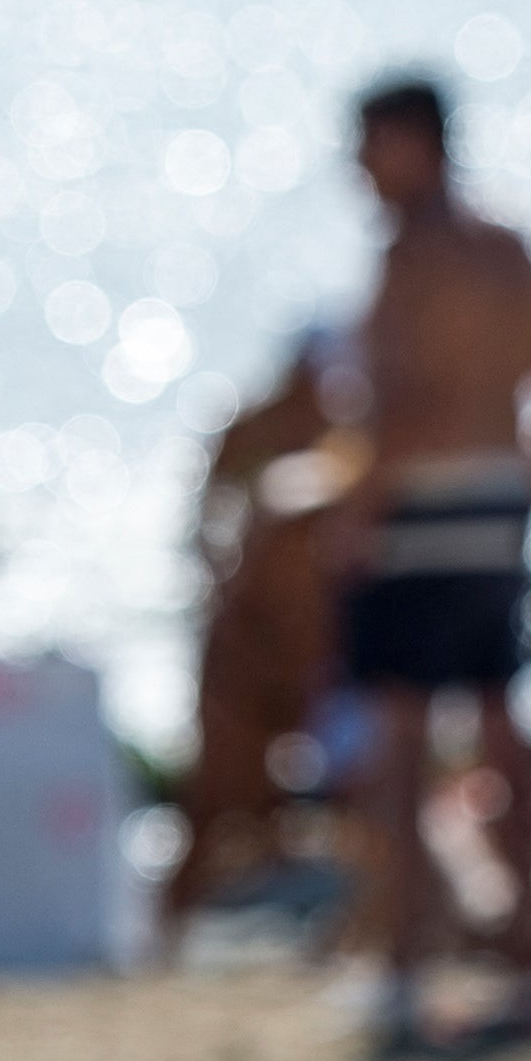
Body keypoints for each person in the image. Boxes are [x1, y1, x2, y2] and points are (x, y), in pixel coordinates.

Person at [336, 77, 531, 1055]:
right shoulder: (509, 249)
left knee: (400, 751)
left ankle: (404, 970)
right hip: (493, 506)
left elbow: (400, 408)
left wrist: (353, 517)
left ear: (416, 143)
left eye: (369, 145)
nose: (357, 166)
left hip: (415, 508)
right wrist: (527, 491)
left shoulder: (414, 254)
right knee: (501, 742)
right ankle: (529, 963)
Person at [161, 332, 360, 952]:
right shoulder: (265, 433)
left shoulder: (344, 441)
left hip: (315, 657)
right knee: (217, 804)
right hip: (254, 649)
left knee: (348, 804)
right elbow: (205, 525)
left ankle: (348, 939)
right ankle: (162, 937)